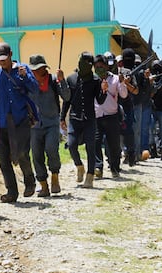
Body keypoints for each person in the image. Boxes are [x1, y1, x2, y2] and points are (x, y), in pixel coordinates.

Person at [0, 42, 39, 203]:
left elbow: (35, 89)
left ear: (10, 54)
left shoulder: (23, 70)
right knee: (4, 160)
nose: (2, 62)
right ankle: (12, 192)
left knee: (23, 153)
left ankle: (30, 182)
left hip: (20, 119)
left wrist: (26, 77)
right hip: (1, 122)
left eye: (4, 58)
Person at [60, 51, 107, 188]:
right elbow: (67, 101)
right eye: (83, 60)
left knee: (90, 148)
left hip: (90, 119)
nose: (85, 64)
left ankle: (90, 176)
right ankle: (79, 166)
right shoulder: (71, 78)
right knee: (71, 144)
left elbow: (100, 100)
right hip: (74, 118)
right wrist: (62, 118)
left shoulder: (96, 80)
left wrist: (104, 91)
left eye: (88, 62)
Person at [28, 54, 70, 197]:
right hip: (34, 125)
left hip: (51, 123)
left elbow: (67, 97)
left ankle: (55, 177)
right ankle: (43, 185)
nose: (37, 72)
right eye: (34, 70)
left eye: (40, 69)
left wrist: (62, 80)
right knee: (36, 155)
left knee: (52, 149)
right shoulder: (28, 82)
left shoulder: (53, 80)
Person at [93, 54, 127, 178]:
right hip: (97, 116)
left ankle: (115, 167)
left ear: (107, 66)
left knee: (113, 144)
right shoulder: (93, 80)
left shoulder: (115, 79)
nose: (99, 69)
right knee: (96, 142)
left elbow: (123, 95)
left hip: (112, 116)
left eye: (101, 66)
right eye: (96, 67)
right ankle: (98, 167)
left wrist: (123, 83)